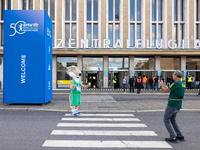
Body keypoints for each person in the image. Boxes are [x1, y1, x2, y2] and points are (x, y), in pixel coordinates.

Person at [160, 70, 185, 142]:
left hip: (172, 104)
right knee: (173, 120)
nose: (172, 76)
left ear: (176, 76)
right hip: (178, 104)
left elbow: (165, 91)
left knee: (166, 120)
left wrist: (161, 85)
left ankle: (173, 137)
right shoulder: (182, 83)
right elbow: (170, 89)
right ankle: (180, 135)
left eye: (173, 74)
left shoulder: (176, 83)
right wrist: (165, 85)